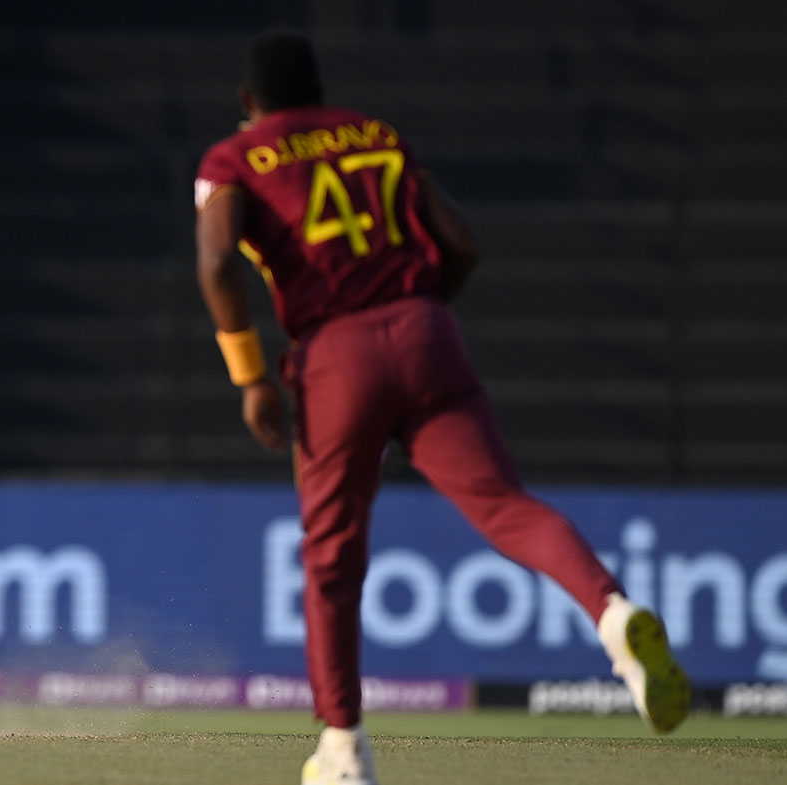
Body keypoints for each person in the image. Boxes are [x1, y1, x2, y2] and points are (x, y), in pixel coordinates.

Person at [193, 32, 690, 784]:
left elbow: (217, 257)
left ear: (246, 102)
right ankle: (615, 617)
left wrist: (251, 376)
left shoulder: (235, 158)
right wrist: (419, 322)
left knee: (331, 561)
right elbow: (462, 242)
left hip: (335, 354)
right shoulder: (376, 134)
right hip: (428, 328)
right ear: (320, 90)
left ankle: (343, 748)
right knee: (506, 506)